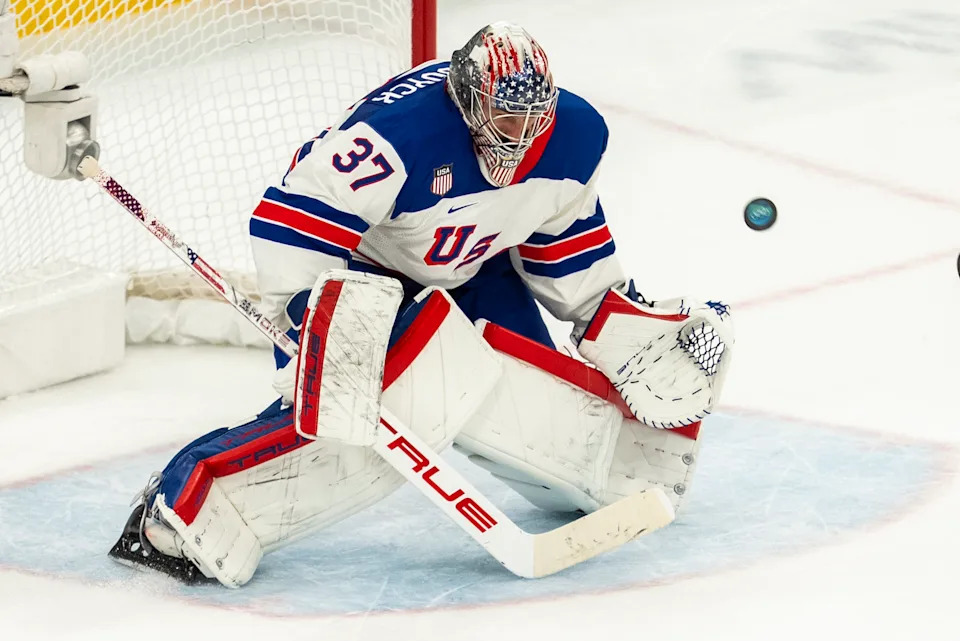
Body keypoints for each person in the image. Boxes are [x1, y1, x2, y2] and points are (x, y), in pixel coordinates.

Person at [109, 22, 732, 587]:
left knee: (544, 414)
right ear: (465, 100)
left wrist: (625, 327)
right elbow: (290, 224)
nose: (519, 137)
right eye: (504, 118)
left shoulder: (574, 135)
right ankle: (181, 507)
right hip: (364, 275)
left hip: (473, 267)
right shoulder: (401, 133)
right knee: (398, 405)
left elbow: (565, 251)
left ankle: (610, 468)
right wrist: (316, 317)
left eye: (531, 118)